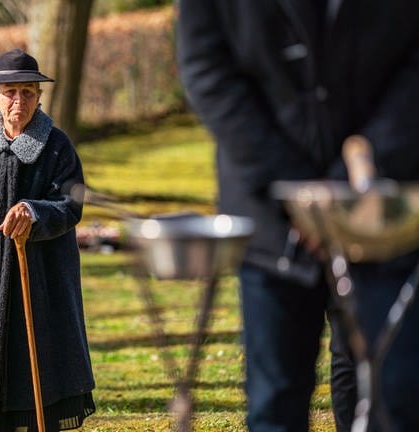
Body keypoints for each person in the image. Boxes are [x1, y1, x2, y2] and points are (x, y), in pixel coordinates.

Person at [178, 2, 419, 431]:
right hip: (270, 219)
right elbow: (207, 69)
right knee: (275, 407)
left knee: (397, 402)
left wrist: (362, 170)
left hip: (381, 211)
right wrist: (294, 191)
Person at [0, 49, 95, 432]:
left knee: (42, 358)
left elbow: (70, 205)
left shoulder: (57, 144)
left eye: (28, 92)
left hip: (43, 277)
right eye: (10, 92)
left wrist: (34, 211)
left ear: (39, 97)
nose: (19, 101)